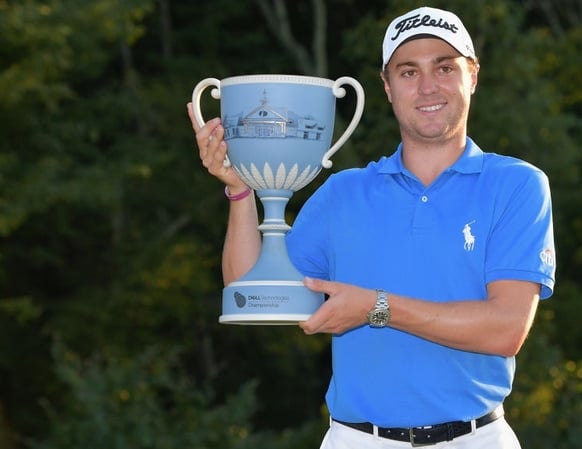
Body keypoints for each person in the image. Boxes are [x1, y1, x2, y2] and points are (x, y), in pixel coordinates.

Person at [188, 6, 556, 448]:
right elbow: (247, 289)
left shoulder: (517, 185)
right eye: (407, 72)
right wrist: (241, 191)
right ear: (386, 87)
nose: (427, 87)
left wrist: (376, 307)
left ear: (472, 76)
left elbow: (505, 330)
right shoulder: (343, 193)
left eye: (444, 67)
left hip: (477, 438)